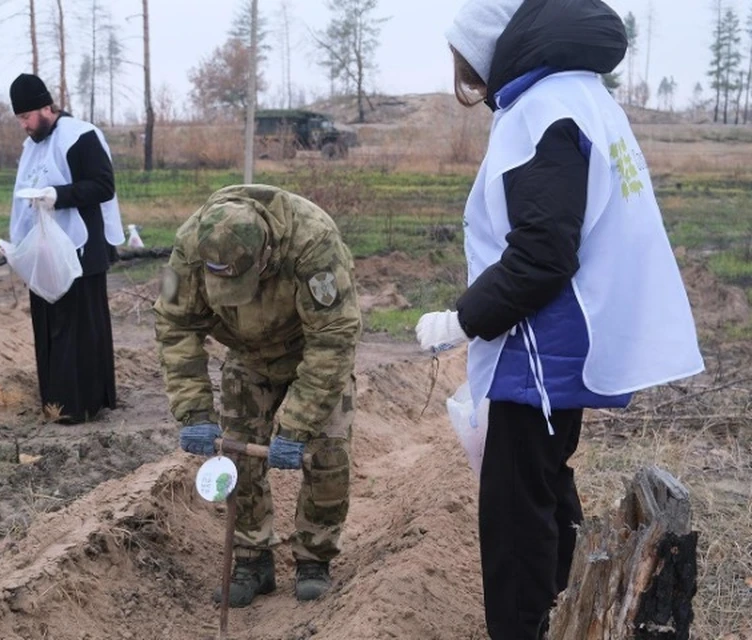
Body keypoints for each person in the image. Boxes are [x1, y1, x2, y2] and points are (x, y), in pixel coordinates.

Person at [416, 1, 705, 638]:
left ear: (492, 51)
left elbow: (544, 251)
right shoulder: (579, 95)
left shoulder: (543, 110)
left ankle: (530, 626)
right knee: (541, 482)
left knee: (514, 511)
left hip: (542, 340)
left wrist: (462, 319)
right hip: (569, 334)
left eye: (469, 70)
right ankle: (567, 614)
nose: (472, 87)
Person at [153, 184, 361, 607]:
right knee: (237, 458)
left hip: (312, 349)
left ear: (266, 255)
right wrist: (193, 410)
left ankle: (314, 558)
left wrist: (297, 425)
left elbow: (335, 338)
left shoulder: (314, 240)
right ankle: (251, 559)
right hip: (248, 356)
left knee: (327, 456)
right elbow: (175, 327)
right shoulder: (189, 247)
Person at [8, 73, 125, 424]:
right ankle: (56, 401)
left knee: (79, 326)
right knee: (49, 323)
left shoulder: (80, 136)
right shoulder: (33, 147)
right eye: (20, 120)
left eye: (27, 117)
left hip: (81, 248)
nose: (25, 126)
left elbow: (103, 186)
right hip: (46, 250)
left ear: (47, 107)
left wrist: (58, 196)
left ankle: (84, 405)